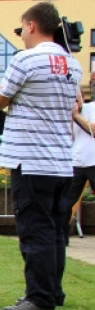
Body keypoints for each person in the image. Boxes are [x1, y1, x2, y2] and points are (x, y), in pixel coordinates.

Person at [0, 1, 82, 310]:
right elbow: (75, 104)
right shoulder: (73, 64)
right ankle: (54, 292)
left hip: (30, 159)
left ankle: (39, 296)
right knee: (56, 231)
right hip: (61, 161)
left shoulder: (26, 60)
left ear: (31, 25)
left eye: (22, 27)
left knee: (35, 231)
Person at [64, 82, 95, 237]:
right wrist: (70, 119)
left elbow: (93, 130)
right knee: (67, 201)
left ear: (82, 97)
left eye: (77, 99)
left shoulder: (92, 108)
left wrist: (76, 116)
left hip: (93, 161)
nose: (75, 103)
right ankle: (62, 236)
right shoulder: (67, 114)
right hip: (76, 163)